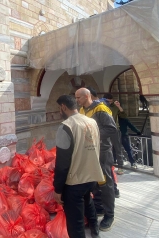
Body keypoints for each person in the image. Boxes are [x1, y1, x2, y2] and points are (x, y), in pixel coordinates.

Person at [53, 95, 103, 238]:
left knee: (76, 223)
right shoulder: (92, 122)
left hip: (74, 182)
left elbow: (62, 162)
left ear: (63, 107)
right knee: (88, 201)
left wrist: (58, 188)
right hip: (92, 176)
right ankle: (95, 229)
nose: (59, 112)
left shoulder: (66, 126)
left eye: (59, 108)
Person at [75, 88, 118, 232]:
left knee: (105, 183)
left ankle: (109, 215)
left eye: (79, 98)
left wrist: (92, 135)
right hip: (89, 152)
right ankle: (99, 207)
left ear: (87, 96)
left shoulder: (101, 109)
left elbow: (111, 129)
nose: (77, 100)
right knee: (94, 182)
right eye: (76, 98)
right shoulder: (81, 110)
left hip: (103, 152)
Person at [102, 93, 127, 175]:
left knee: (117, 148)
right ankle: (109, 165)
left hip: (114, 130)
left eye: (110, 101)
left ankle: (120, 166)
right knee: (106, 148)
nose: (109, 103)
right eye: (107, 101)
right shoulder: (101, 107)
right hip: (104, 130)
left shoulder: (114, 107)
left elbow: (124, 116)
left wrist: (119, 106)